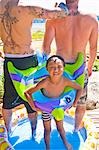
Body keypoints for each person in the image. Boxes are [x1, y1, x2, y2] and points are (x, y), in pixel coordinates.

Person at [0, 0, 68, 135]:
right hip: (27, 60)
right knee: (31, 96)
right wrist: (61, 6)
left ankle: (8, 133)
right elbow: (58, 14)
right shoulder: (26, 8)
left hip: (9, 59)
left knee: (8, 99)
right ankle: (33, 132)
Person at [42, 0, 98, 131]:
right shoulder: (91, 19)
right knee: (81, 102)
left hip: (59, 68)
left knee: (54, 99)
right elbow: (93, 48)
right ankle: (76, 129)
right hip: (79, 68)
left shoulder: (54, 19)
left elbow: (46, 47)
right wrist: (89, 67)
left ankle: (55, 130)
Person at [24, 55, 82, 150]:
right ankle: (48, 147)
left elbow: (79, 88)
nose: (56, 70)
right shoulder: (44, 82)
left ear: (64, 68)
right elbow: (27, 92)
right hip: (46, 109)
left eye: (59, 67)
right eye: (52, 67)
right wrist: (33, 107)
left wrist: (75, 102)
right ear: (47, 69)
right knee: (47, 130)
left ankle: (65, 142)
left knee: (60, 128)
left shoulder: (65, 81)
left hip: (59, 108)